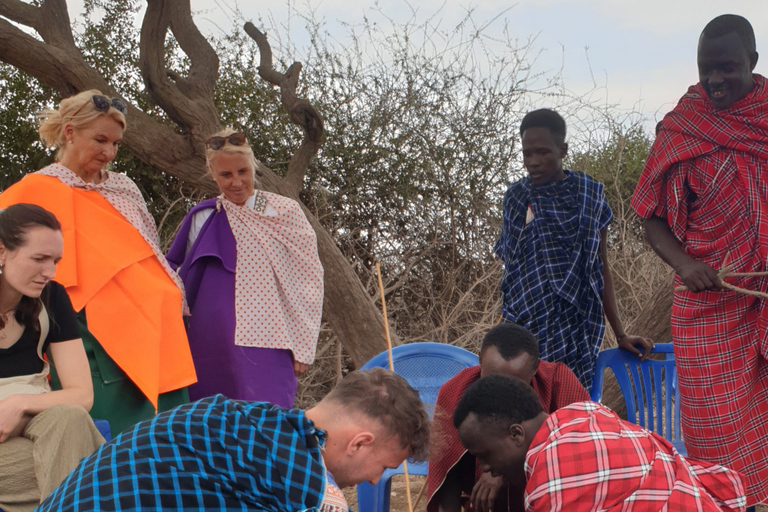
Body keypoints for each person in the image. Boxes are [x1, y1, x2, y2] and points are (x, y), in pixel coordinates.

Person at [0, 90, 196, 436]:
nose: (109, 152)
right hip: (92, 336)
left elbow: (151, 249)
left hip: (160, 331)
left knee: (167, 442)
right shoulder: (34, 188)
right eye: (100, 140)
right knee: (110, 446)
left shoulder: (125, 188)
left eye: (116, 144)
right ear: (71, 132)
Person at [631, 15, 768, 506]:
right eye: (706, 68)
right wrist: (684, 264)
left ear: (752, 62)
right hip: (706, 306)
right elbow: (649, 215)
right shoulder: (683, 127)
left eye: (727, 68)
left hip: (764, 298)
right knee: (712, 430)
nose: (714, 81)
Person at [37, 367, 430, 511]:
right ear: (358, 443)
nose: (377, 481)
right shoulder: (306, 481)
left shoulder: (230, 415)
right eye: (384, 466)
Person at [495, 108, 652, 389]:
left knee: (570, 407)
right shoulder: (517, 198)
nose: (533, 162)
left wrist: (620, 335)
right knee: (524, 407)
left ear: (562, 149)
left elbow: (600, 268)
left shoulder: (588, 195)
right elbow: (513, 273)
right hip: (525, 326)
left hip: (576, 328)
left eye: (542, 152)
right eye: (526, 154)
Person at [166, 128, 323, 407]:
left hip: (270, 341)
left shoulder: (282, 212)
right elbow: (172, 272)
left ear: (254, 169)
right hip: (209, 342)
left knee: (268, 418)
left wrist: (303, 345)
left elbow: (309, 277)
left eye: (243, 172)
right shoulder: (202, 216)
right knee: (211, 421)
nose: (236, 182)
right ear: (212, 174)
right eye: (225, 175)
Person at [454, 375, 747, 511]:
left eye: (485, 455)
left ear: (516, 434)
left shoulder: (551, 482)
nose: (485, 467)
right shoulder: (582, 412)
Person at [0, 204, 104, 512]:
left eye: (55, 261)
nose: (50, 272)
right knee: (93, 470)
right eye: (39, 259)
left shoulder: (52, 297)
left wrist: (17, 404)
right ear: (2, 251)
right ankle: (103, 474)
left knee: (70, 417)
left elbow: (81, 395)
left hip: (42, 423)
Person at [427, 322, 589, 512]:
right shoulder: (456, 390)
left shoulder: (559, 383)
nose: (500, 393)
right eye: (491, 381)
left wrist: (501, 471)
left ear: (535, 368)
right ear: (480, 361)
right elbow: (446, 469)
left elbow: (578, 455)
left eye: (514, 385)